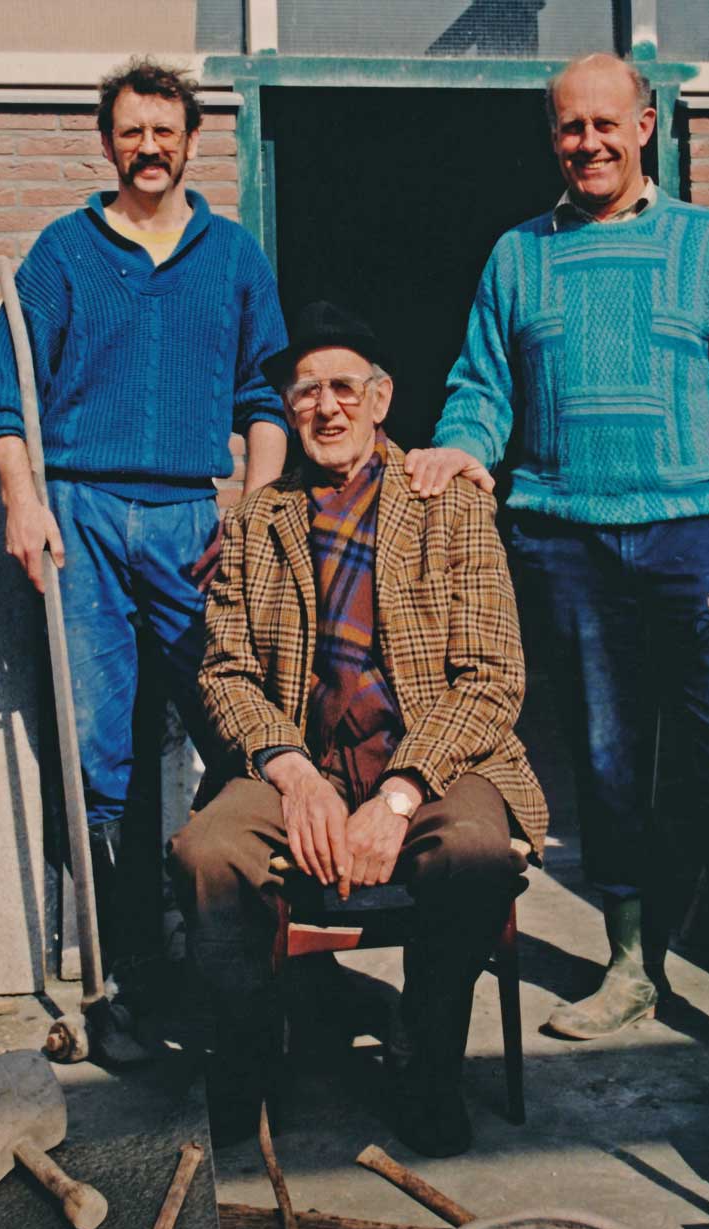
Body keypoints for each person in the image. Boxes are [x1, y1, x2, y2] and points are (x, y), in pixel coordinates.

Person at [406, 53, 709, 1062]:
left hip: (694, 541)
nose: (589, 143)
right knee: (608, 766)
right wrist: (459, 445)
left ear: (646, 125)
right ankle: (630, 969)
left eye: (605, 124)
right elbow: (482, 387)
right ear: (554, 137)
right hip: (567, 544)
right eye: (571, 127)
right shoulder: (518, 257)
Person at [169, 302, 547, 1155]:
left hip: (437, 756)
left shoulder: (448, 502)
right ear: (288, 408)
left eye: (344, 388)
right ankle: (251, 1062)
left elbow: (493, 678)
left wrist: (401, 793)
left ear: (381, 399)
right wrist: (295, 774)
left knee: (474, 852)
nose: (326, 408)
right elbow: (225, 672)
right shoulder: (257, 520)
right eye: (307, 393)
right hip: (303, 761)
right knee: (207, 852)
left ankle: (427, 1063)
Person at [0, 57, 289, 1061]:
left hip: (194, 519)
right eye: (131, 132)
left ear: (192, 140)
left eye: (165, 131)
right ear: (106, 142)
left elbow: (266, 399)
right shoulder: (64, 253)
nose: (149, 149)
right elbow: (2, 401)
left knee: (236, 719)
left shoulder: (232, 257)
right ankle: (125, 983)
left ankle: (232, 950)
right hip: (84, 512)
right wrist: (24, 501)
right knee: (100, 751)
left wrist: (251, 512)